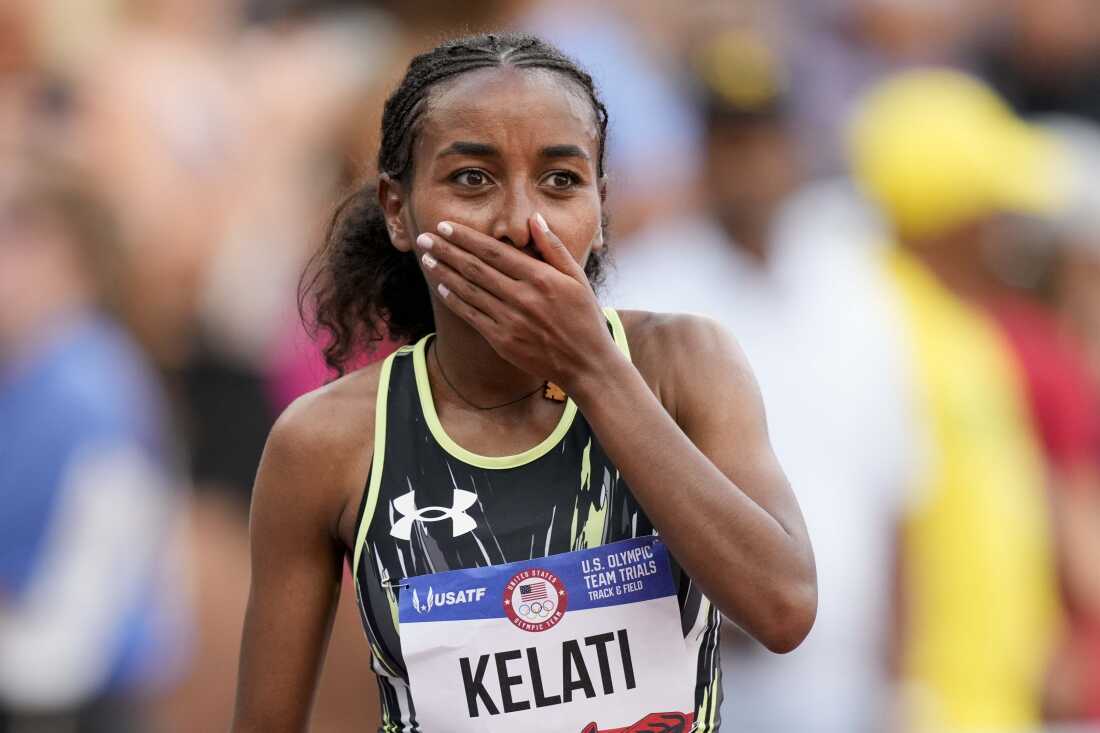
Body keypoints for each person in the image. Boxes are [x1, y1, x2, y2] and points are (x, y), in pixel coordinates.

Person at [232, 32, 816, 733]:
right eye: (472, 179)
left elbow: (783, 608)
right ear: (397, 209)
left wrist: (593, 369)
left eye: (561, 181)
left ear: (601, 211)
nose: (518, 222)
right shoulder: (329, 443)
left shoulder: (682, 363)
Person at [612, 30, 917, 733]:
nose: (750, 164)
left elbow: (896, 490)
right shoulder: (649, 286)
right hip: (700, 667)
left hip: (842, 674)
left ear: (796, 148)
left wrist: (901, 682)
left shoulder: (856, 283)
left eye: (765, 140)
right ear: (702, 152)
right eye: (730, 142)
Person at [849, 69, 1061, 732]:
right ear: (946, 209)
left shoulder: (966, 323)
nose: (1008, 226)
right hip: (931, 703)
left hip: (998, 697)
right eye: (992, 205)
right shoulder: (876, 324)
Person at [0, 150, 188, 732]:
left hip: (75, 708)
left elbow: (76, 638)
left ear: (64, 256)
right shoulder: (23, 371)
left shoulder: (99, 396)